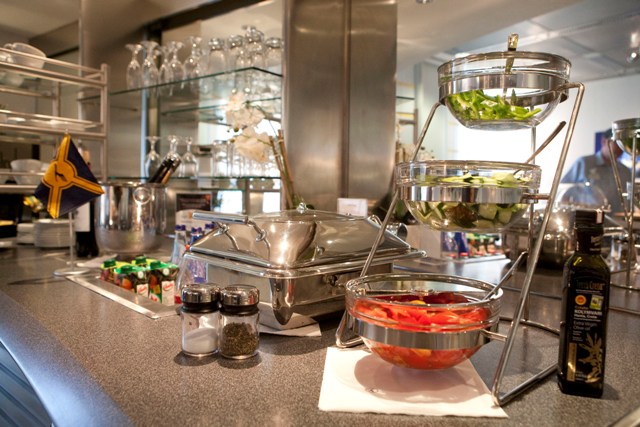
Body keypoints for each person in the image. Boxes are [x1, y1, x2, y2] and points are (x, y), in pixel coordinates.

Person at [561, 128, 631, 214]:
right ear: (604, 141)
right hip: (585, 218)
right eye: (617, 143)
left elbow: (628, 200)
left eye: (623, 144)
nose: (620, 148)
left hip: (615, 220)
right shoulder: (584, 163)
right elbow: (563, 190)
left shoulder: (625, 171)